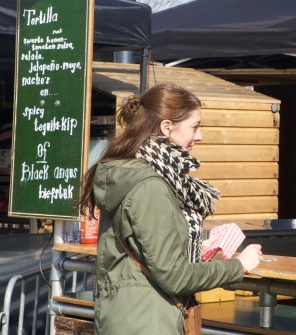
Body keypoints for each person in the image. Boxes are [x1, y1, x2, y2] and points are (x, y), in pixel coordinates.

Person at [80, 84, 263, 334]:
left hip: (132, 315)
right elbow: (174, 276)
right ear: (167, 128)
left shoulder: (132, 172)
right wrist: (238, 266)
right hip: (146, 322)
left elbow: (147, 247)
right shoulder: (150, 185)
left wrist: (191, 245)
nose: (199, 137)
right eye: (194, 126)